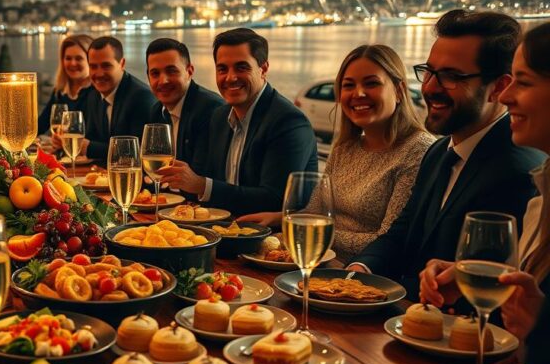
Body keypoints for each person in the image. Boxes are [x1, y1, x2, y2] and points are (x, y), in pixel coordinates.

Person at [347, 10, 545, 299]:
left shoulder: (517, 170)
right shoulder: (440, 151)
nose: (429, 87)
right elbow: (403, 230)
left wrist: (375, 293)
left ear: (498, 88)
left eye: (451, 76)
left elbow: (481, 292)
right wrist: (359, 269)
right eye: (429, 72)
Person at [416, 23, 550, 364]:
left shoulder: (518, 170)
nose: (507, 97)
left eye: (523, 82)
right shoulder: (542, 191)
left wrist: (533, 347)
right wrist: (469, 276)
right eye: (429, 72)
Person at [237, 45, 435, 263]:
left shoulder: (418, 151)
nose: (358, 93)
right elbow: (315, 211)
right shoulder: (345, 148)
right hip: (320, 261)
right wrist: (279, 219)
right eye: (348, 85)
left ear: (399, 91)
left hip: (365, 273)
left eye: (371, 83)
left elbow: (389, 241)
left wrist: (312, 233)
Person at [160, 28, 317, 216]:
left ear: (263, 69)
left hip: (272, 232)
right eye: (222, 69)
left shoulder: (288, 121)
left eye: (241, 68)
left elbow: (276, 199)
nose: (230, 77)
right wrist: (182, 179)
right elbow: (203, 181)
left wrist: (202, 185)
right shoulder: (219, 116)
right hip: (222, 226)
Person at [56, 36, 156, 161]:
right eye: (93, 66)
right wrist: (63, 142)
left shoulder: (141, 97)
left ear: (122, 64)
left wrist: (88, 147)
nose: (99, 74)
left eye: (106, 66)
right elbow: (91, 138)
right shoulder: (94, 95)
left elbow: (137, 152)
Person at [144, 37, 224, 180]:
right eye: (155, 73)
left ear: (189, 71)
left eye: (171, 71)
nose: (163, 81)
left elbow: (200, 175)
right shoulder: (156, 111)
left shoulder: (210, 109)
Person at [37, 34, 94, 134]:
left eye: (79, 58)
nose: (73, 63)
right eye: (68, 58)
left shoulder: (97, 92)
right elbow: (41, 125)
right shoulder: (60, 91)